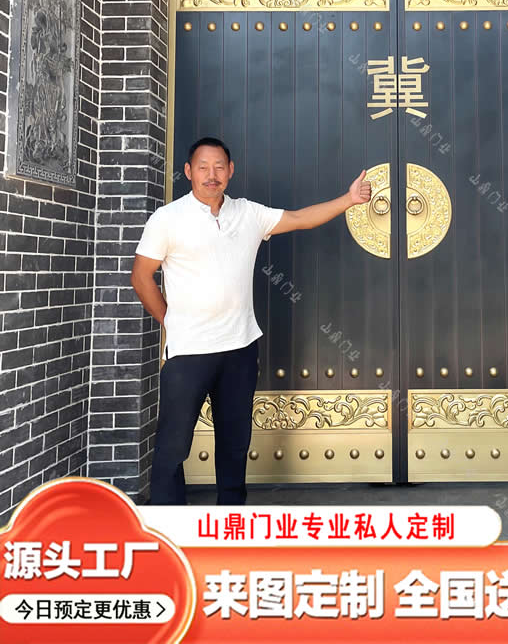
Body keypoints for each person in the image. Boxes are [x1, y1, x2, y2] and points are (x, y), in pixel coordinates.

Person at [130, 136, 372, 505]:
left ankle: (231, 521)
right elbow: (141, 277)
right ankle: (168, 525)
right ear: (188, 172)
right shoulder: (167, 219)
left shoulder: (247, 213)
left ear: (230, 171)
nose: (211, 174)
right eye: (203, 167)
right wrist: (170, 321)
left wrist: (349, 199)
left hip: (240, 349)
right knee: (173, 446)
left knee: (234, 445)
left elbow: (299, 219)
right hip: (188, 351)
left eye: (219, 167)